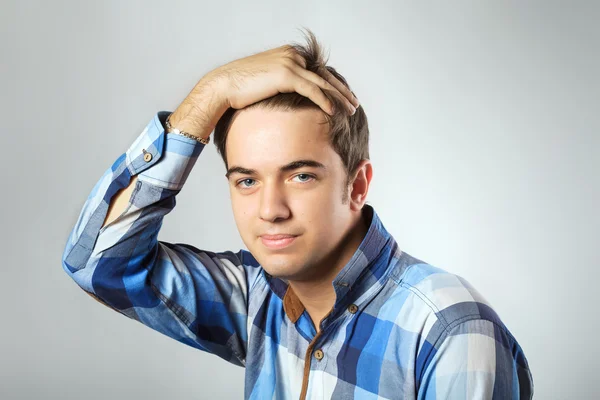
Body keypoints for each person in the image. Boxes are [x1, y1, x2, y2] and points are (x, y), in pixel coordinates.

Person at [62, 30, 534, 399]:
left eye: (300, 175)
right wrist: (210, 94)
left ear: (358, 185)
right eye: (247, 180)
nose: (270, 210)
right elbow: (98, 264)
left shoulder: (451, 333)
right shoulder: (256, 298)